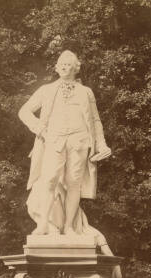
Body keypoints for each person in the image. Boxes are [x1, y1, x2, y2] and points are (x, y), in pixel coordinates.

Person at [18, 50, 112, 237]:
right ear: (56, 67)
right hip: (54, 140)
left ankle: (69, 226)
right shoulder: (46, 90)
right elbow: (24, 111)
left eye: (68, 64)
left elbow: (95, 121)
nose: (64, 67)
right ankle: (43, 224)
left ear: (76, 68)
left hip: (79, 141)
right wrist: (40, 129)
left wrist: (101, 144)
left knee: (74, 183)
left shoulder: (86, 92)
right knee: (49, 179)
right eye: (61, 63)